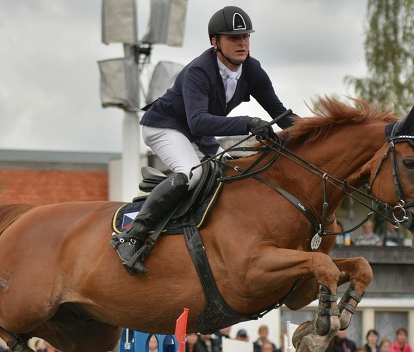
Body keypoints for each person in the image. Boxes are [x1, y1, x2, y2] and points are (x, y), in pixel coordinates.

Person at [112, 5, 296, 276]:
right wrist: (246, 122)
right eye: (233, 38)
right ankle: (131, 236)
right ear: (215, 42)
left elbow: (280, 114)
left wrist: (318, 134)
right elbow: (198, 120)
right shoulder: (199, 70)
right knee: (193, 174)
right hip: (164, 126)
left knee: (234, 175)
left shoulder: (252, 70)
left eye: (245, 36)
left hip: (198, 136)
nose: (242, 42)